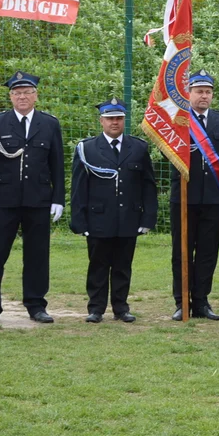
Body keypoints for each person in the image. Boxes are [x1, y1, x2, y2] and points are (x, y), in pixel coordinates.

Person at [0, 71, 65, 324]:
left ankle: (36, 305)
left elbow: (57, 164)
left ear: (36, 95)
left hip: (38, 199)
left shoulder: (49, 123)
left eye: (27, 92)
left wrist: (58, 198)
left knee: (37, 255)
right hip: (3, 200)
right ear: (10, 97)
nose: (22, 97)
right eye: (17, 93)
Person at [70, 98, 157, 323]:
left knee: (123, 266)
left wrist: (148, 218)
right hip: (98, 218)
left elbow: (148, 185)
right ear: (101, 121)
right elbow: (79, 187)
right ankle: (96, 309)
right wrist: (79, 219)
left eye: (118, 118)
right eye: (110, 119)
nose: (114, 122)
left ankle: (121, 308)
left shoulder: (138, 147)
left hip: (129, 217)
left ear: (124, 120)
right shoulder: (87, 148)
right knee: (98, 265)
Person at [168, 72, 219, 321]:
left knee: (208, 252)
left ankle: (201, 302)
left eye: (208, 92)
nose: (204, 96)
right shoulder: (178, 120)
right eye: (199, 91)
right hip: (184, 198)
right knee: (182, 252)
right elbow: (167, 154)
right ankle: (182, 302)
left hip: (213, 198)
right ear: (189, 94)